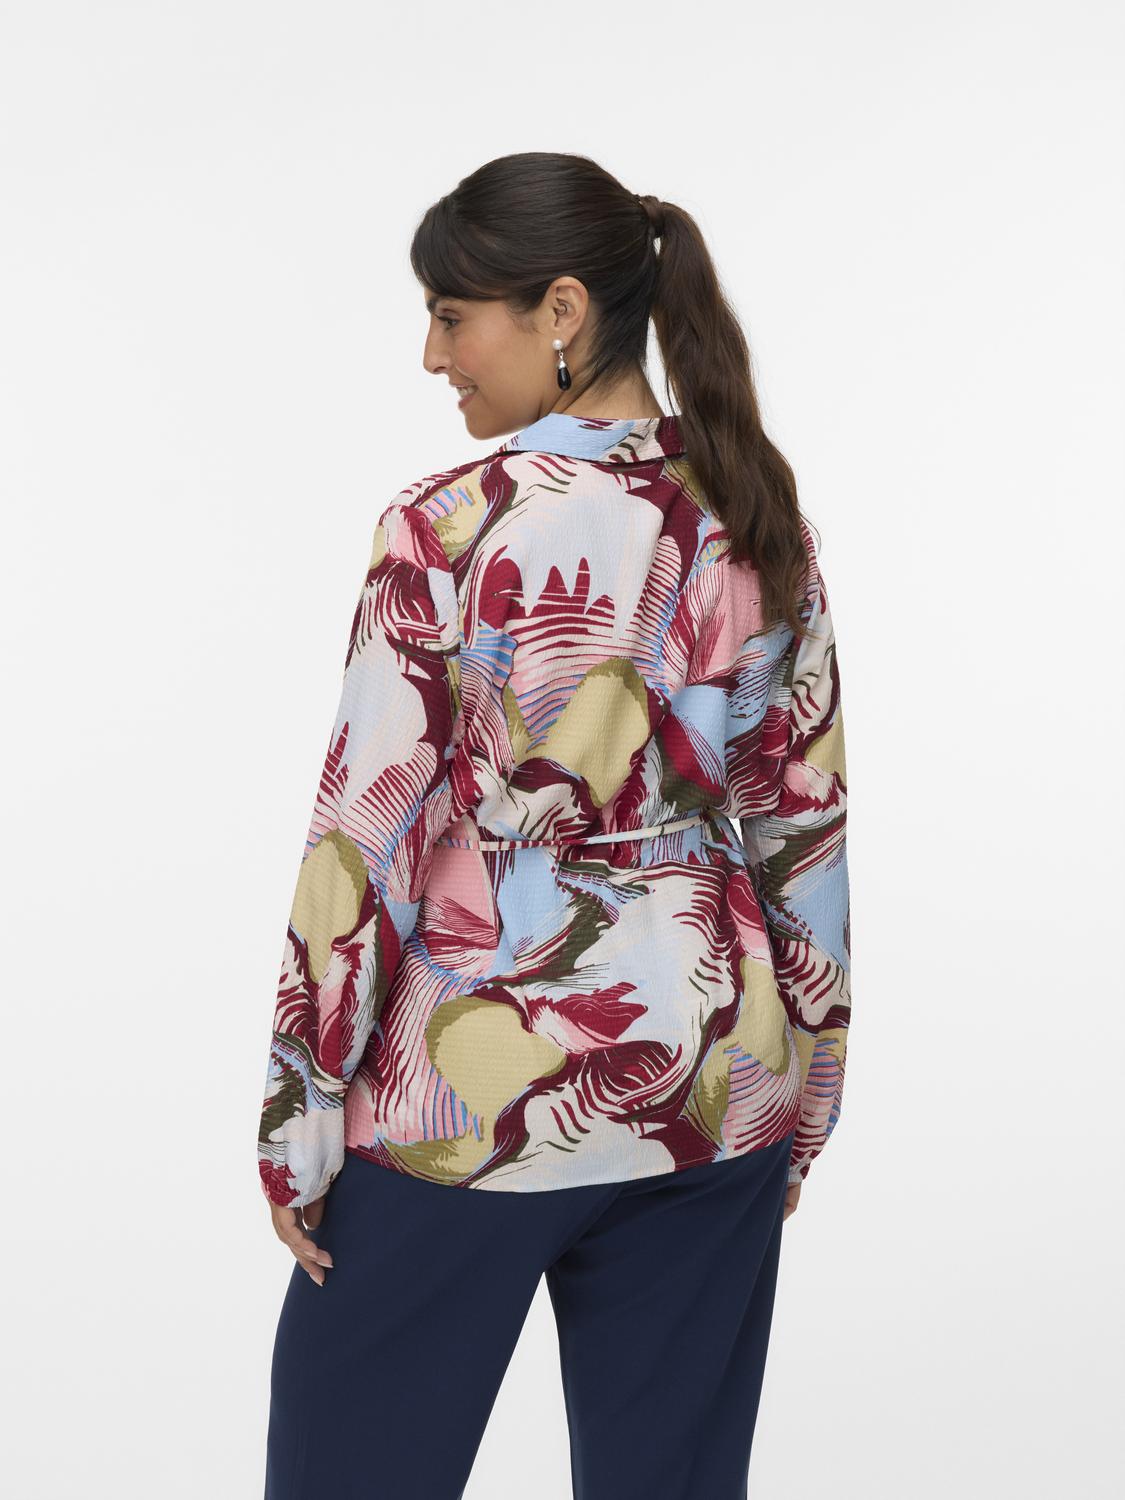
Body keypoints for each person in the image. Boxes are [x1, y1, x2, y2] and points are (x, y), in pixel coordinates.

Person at [257, 151, 851, 1500]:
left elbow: (366, 836)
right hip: (716, 1081)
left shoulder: (449, 526)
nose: (431, 355)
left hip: (471, 1095)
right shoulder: (756, 513)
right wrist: (809, 1089)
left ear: (562, 309)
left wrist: (300, 1103)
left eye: (452, 316)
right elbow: (801, 820)